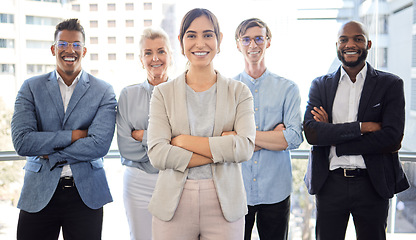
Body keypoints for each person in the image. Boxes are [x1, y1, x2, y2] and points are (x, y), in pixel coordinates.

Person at [146, 8, 256, 240]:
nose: (200, 43)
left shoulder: (239, 92)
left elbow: (244, 148)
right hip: (173, 204)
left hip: (225, 203)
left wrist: (184, 142)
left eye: (208, 35)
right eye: (191, 35)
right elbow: (157, 154)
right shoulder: (163, 94)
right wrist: (223, 149)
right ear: (181, 40)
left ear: (219, 40)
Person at [11, 18, 117, 240]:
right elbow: (22, 142)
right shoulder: (31, 87)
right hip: (38, 192)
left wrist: (51, 153)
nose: (70, 50)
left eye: (76, 44)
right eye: (63, 44)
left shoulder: (104, 91)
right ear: (53, 48)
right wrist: (74, 136)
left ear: (84, 50)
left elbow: (99, 146)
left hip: (86, 194)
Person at [303, 20, 409, 240]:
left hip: (373, 183)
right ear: (337, 45)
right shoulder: (320, 85)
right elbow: (312, 133)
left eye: (358, 38)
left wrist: (335, 138)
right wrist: (363, 128)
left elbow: (391, 138)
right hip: (330, 184)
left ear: (368, 44)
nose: (350, 44)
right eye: (344, 39)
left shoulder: (390, 84)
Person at [233, 18, 303, 240]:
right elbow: (224, 141)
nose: (253, 45)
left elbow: (292, 138)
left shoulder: (288, 88)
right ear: (238, 44)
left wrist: (245, 139)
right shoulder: (227, 89)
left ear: (268, 42)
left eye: (258, 38)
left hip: (276, 192)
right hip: (237, 192)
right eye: (246, 39)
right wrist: (273, 137)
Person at [116, 27, 172, 240]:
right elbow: (125, 147)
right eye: (148, 53)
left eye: (161, 51)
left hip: (173, 179)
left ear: (170, 55)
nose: (155, 58)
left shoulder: (184, 93)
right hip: (137, 182)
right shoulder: (128, 95)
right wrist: (165, 141)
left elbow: (186, 143)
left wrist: (142, 136)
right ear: (141, 59)